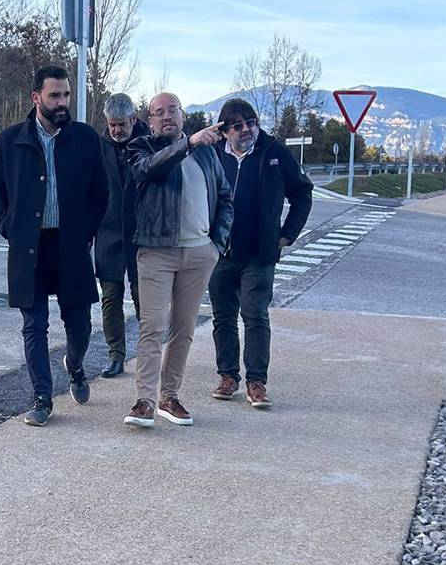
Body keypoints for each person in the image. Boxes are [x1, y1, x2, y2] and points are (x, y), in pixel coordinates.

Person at [0, 65, 108, 427]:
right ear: (36, 97)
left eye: (66, 94)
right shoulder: (10, 141)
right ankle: (42, 397)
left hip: (71, 247)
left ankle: (76, 366)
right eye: (55, 95)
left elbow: (100, 191)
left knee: (80, 324)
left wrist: (86, 230)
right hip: (30, 249)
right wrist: (9, 226)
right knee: (34, 325)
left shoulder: (85, 138)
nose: (62, 102)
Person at [122, 92, 232, 429]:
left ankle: (169, 397)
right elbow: (149, 170)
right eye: (159, 112)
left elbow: (225, 197)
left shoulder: (208, 154)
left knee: (183, 329)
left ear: (183, 115)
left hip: (199, 253)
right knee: (152, 327)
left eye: (173, 110)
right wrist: (189, 144)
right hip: (156, 251)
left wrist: (216, 244)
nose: (167, 116)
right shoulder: (141, 147)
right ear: (150, 121)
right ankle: (145, 401)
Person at [208, 98, 313, 409]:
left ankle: (256, 382)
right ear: (224, 131)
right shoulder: (213, 155)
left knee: (255, 314)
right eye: (238, 125)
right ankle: (228, 376)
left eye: (251, 122)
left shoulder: (273, 153)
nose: (246, 129)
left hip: (259, 254)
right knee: (223, 317)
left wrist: (287, 234)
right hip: (219, 253)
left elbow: (302, 193)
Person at [95, 92, 149, 378]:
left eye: (122, 125)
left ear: (134, 119)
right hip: (108, 235)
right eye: (112, 125)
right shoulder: (97, 147)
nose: (117, 130)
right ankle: (116, 355)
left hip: (142, 236)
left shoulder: (149, 143)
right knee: (111, 299)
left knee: (145, 301)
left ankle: (149, 355)